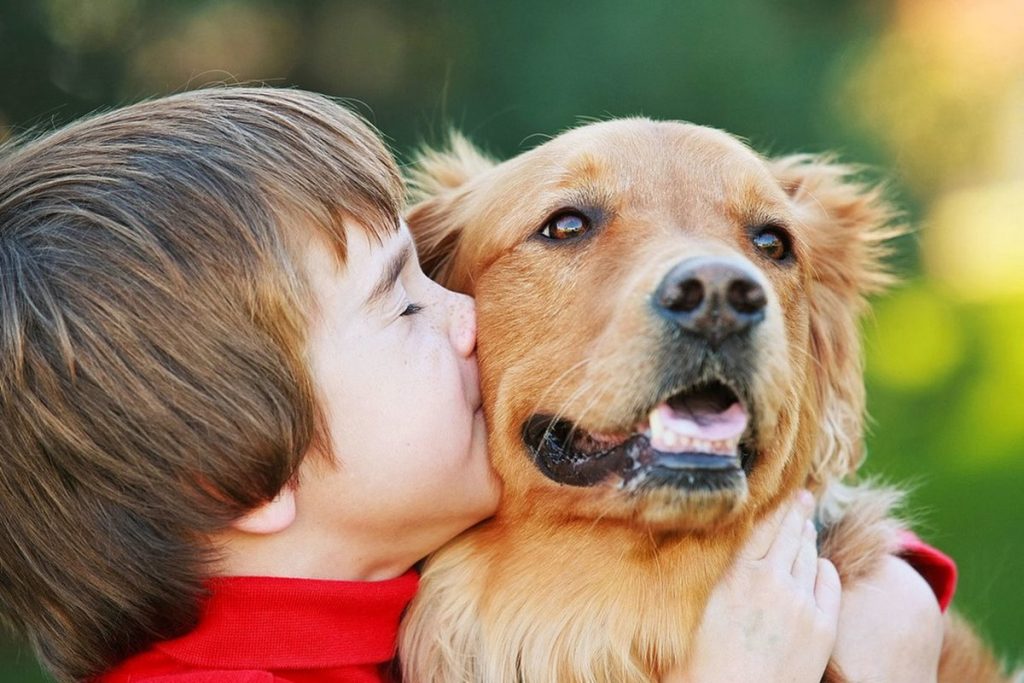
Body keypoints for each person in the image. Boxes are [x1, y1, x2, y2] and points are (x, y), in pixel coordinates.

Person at [0, 87, 949, 683]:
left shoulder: (373, 609)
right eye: (405, 303)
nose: (467, 319)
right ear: (237, 470)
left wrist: (885, 581)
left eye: (767, 249)